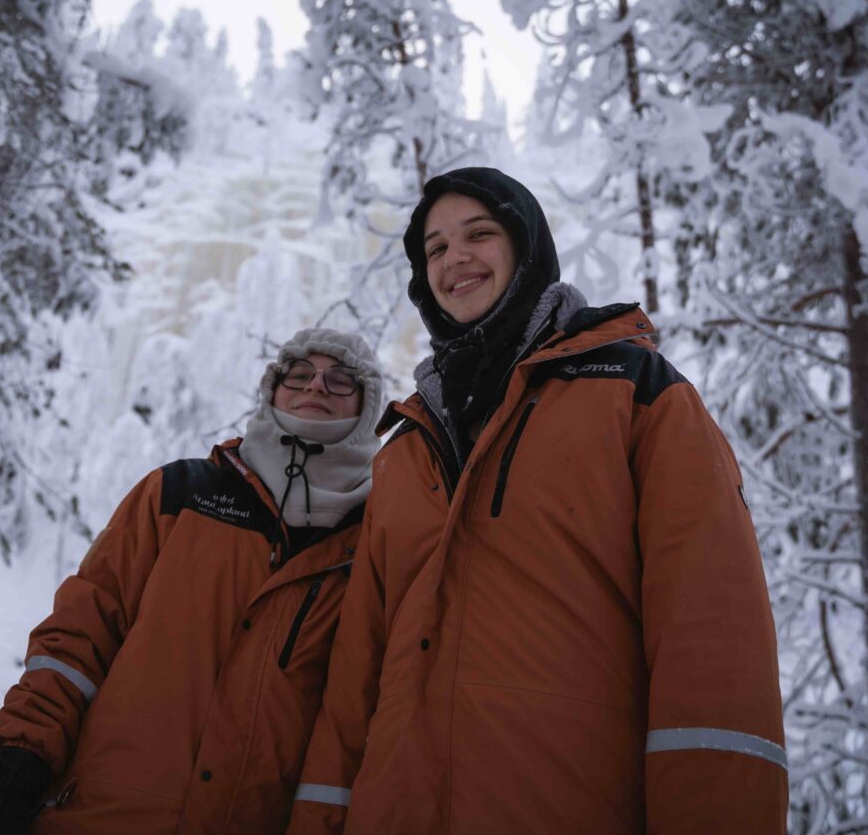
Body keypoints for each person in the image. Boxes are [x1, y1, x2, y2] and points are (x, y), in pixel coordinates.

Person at [287, 167, 786, 833]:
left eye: (479, 234)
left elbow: (713, 632)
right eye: (434, 249)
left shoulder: (635, 394)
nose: (454, 259)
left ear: (527, 247)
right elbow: (356, 680)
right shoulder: (406, 451)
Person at [0, 328, 383, 834]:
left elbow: (355, 723)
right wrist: (18, 759)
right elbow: (80, 634)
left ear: (367, 406)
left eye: (340, 381)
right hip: (100, 818)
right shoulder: (179, 493)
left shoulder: (376, 537)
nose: (316, 387)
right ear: (272, 389)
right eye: (299, 374)